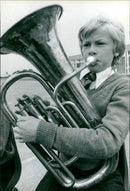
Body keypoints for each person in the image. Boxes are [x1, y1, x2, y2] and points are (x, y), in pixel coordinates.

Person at [13, 16, 129, 191]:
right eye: (86, 44)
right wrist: (45, 116)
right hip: (67, 170)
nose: (91, 50)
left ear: (117, 51)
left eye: (100, 43)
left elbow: (108, 141)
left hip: (102, 176)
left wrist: (41, 131)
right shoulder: (75, 83)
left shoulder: (123, 87)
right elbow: (66, 124)